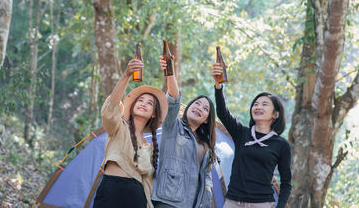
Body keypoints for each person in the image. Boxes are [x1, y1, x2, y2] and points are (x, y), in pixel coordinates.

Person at [211, 64, 292, 208]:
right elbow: (222, 113)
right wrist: (218, 85)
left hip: (263, 204)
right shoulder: (242, 133)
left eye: (264, 104)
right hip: (232, 202)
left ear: (275, 114)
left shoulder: (281, 144)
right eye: (255, 104)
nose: (258, 107)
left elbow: (286, 183)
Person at [93, 59, 168, 208]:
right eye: (141, 100)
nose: (143, 104)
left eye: (149, 103)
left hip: (136, 198)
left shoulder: (150, 147)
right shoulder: (118, 127)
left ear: (154, 114)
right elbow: (110, 109)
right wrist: (126, 75)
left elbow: (148, 185)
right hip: (111, 190)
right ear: (133, 105)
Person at [151, 56, 216, 208]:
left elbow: (206, 175)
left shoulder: (206, 143)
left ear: (207, 119)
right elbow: (173, 98)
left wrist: (207, 196)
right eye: (197, 104)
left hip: (194, 204)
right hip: (168, 200)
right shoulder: (172, 125)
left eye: (205, 109)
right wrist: (170, 72)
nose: (199, 108)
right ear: (188, 107)